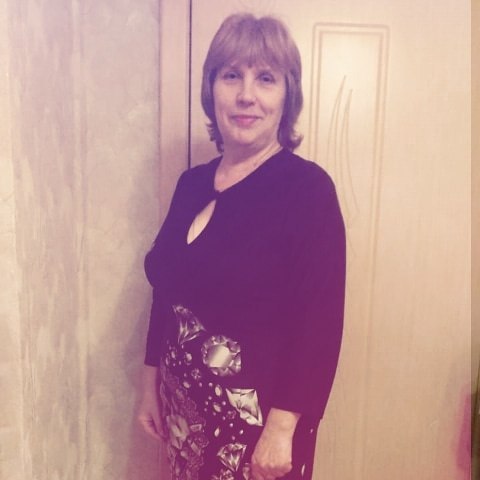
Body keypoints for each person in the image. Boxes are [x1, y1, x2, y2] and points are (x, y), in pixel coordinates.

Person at [138, 13, 346, 480]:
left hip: (260, 431)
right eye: (232, 75)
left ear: (286, 96)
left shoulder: (307, 191)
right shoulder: (191, 185)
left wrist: (283, 428)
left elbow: (320, 323)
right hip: (185, 416)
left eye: (265, 78)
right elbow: (165, 293)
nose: (246, 95)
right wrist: (150, 382)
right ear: (211, 89)